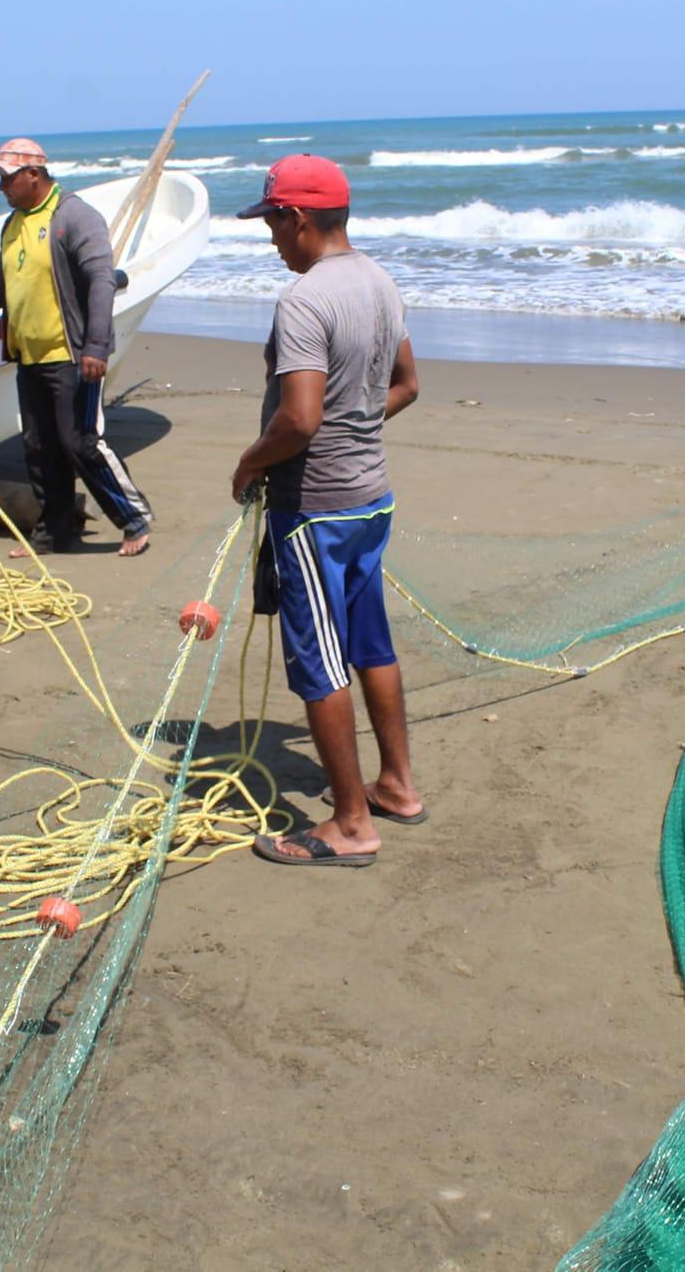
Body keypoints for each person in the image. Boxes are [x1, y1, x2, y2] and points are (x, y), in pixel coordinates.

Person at [229, 156, 425, 868]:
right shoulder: (379, 280)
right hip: (372, 501)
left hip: (314, 511)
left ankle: (349, 822)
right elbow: (405, 384)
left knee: (319, 661)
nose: (271, 240)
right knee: (370, 645)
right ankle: (397, 786)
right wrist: (360, 423)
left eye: (273, 223)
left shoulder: (306, 301)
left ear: (299, 219)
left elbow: (300, 419)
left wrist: (251, 462)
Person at [0, 137, 153, 558]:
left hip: (70, 354)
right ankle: (54, 533)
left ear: (33, 175)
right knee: (39, 448)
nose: (1, 188)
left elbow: (101, 282)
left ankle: (133, 519)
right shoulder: (13, 223)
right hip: (29, 356)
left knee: (80, 442)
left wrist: (96, 347)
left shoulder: (74, 217)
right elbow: (4, 280)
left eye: (7, 179)